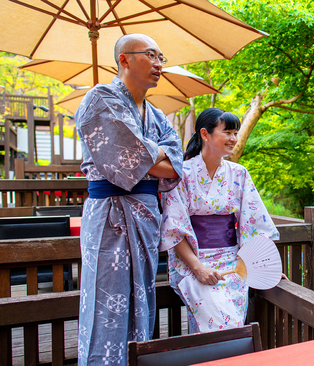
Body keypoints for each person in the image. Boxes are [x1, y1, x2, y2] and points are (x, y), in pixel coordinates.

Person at [75, 34, 183, 366]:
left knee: (142, 300)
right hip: (110, 214)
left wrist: (141, 151)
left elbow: (175, 164)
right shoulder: (99, 99)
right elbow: (126, 162)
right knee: (106, 301)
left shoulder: (158, 115)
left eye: (161, 57)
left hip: (146, 216)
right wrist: (152, 156)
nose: (159, 64)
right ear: (124, 59)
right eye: (151, 55)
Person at [160, 108, 279, 334]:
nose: (234, 139)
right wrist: (198, 268)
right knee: (223, 324)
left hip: (233, 263)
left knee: (232, 323)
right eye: (228, 132)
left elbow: (254, 223)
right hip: (192, 262)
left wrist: (262, 263)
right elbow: (173, 230)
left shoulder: (239, 173)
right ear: (205, 134)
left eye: (236, 133)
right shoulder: (181, 173)